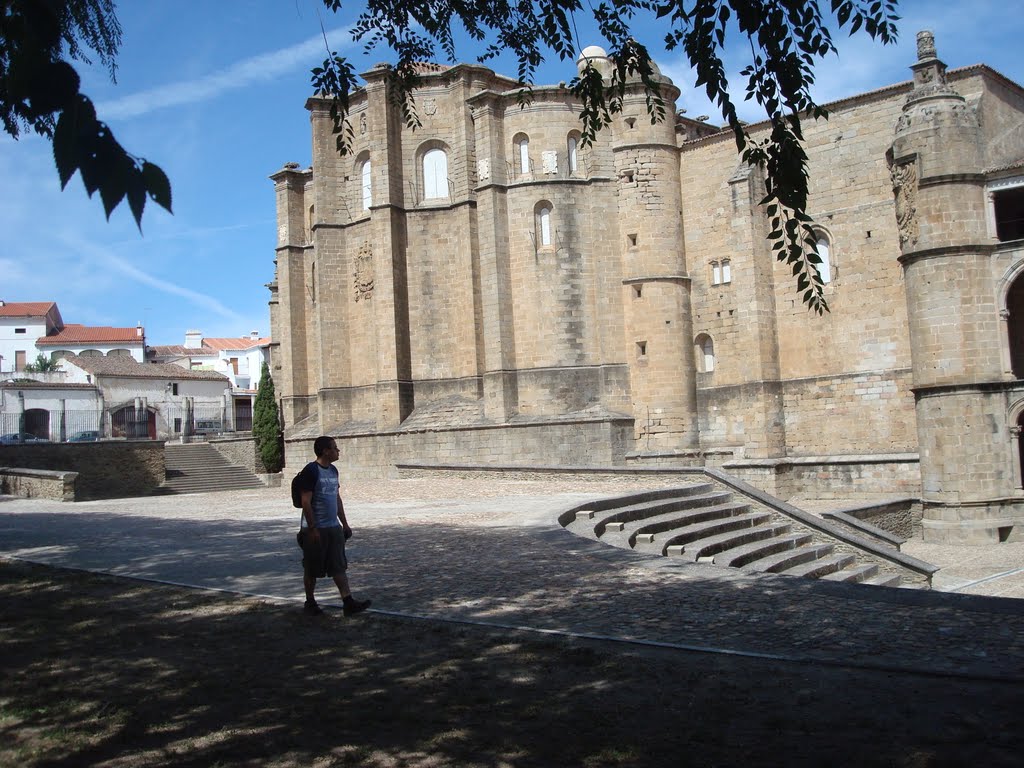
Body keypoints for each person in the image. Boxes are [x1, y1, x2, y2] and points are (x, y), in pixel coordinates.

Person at [296, 435, 372, 617]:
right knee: (312, 568)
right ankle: (310, 602)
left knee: (338, 565)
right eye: (335, 448)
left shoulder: (333, 471)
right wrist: (312, 528)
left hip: (333, 527)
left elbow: (336, 498)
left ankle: (348, 602)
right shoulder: (311, 471)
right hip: (314, 529)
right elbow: (305, 501)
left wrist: (344, 523)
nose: (338, 451)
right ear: (325, 451)